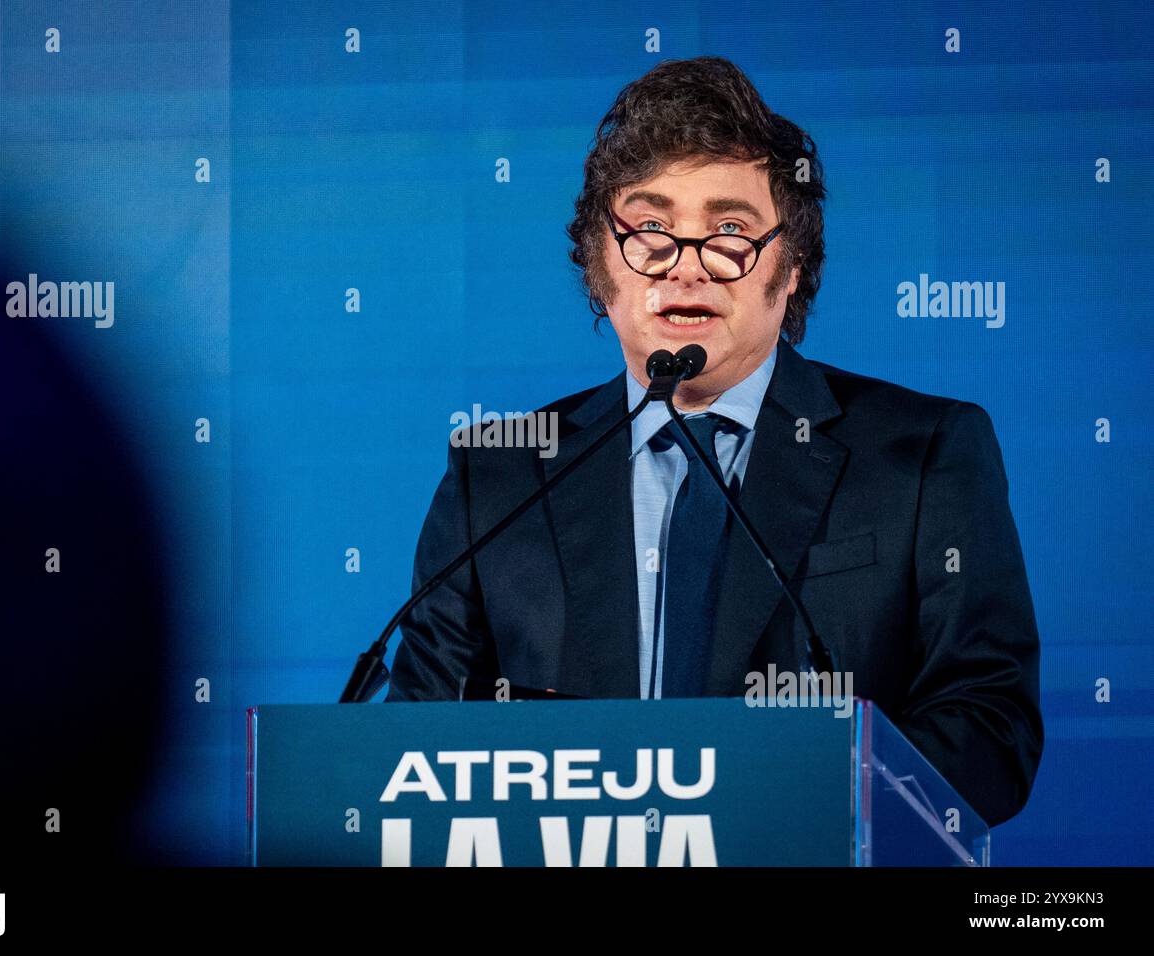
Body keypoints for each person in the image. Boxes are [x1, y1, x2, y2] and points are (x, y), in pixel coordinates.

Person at [386, 56, 1043, 828]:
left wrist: (771, 803)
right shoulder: (496, 477)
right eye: (651, 230)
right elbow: (414, 752)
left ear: (791, 266)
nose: (686, 269)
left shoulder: (926, 452)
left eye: (729, 232)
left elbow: (991, 730)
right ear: (601, 266)